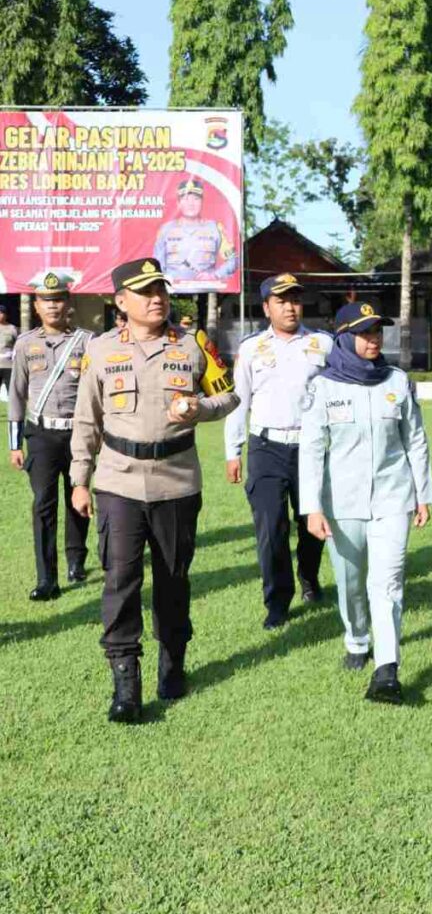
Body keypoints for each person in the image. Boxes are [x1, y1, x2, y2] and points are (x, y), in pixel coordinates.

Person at [70, 258, 239, 723]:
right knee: (120, 579)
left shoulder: (192, 344)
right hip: (118, 480)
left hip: (177, 481)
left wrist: (199, 410)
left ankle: (174, 663)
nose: (157, 298)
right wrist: (79, 479)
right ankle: (126, 680)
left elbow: (229, 395)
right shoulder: (101, 350)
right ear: (121, 302)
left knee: (173, 578)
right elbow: (87, 420)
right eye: (145, 291)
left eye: (161, 289)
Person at [299, 301, 432, 705]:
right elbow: (311, 449)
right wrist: (312, 506)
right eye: (365, 332)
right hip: (342, 503)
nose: (374, 339)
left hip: (394, 496)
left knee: (387, 583)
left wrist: (422, 493)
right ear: (343, 337)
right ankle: (357, 639)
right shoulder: (322, 386)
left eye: (378, 331)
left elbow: (416, 439)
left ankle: (387, 669)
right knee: (351, 582)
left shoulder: (397, 380)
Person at [225, 274, 335, 630]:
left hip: (311, 447)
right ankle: (277, 601)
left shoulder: (323, 343)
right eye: (281, 300)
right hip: (266, 447)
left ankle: (309, 577)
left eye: (295, 300)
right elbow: (238, 401)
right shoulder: (252, 348)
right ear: (266, 307)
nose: (290, 307)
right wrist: (233, 449)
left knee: (311, 524)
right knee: (271, 528)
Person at [7, 273, 91, 599]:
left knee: (76, 497)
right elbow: (16, 394)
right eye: (46, 300)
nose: (52, 305)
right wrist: (15, 444)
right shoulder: (26, 343)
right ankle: (47, 579)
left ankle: (76, 558)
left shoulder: (86, 341)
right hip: (41, 434)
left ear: (67, 303)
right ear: (37, 305)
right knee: (43, 503)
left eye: (58, 299)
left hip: (77, 433)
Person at [153, 177, 238, 284]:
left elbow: (234, 260)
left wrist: (215, 275)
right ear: (178, 204)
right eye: (185, 199)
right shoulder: (165, 230)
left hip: (207, 291)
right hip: (172, 292)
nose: (191, 203)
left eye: (196, 199)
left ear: (202, 202)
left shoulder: (215, 228)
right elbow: (157, 265)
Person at [0, 303, 18, 398]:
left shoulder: (12, 328)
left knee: (11, 392)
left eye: (1, 313)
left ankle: (13, 412)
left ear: (5, 315)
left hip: (8, 365)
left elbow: (18, 345)